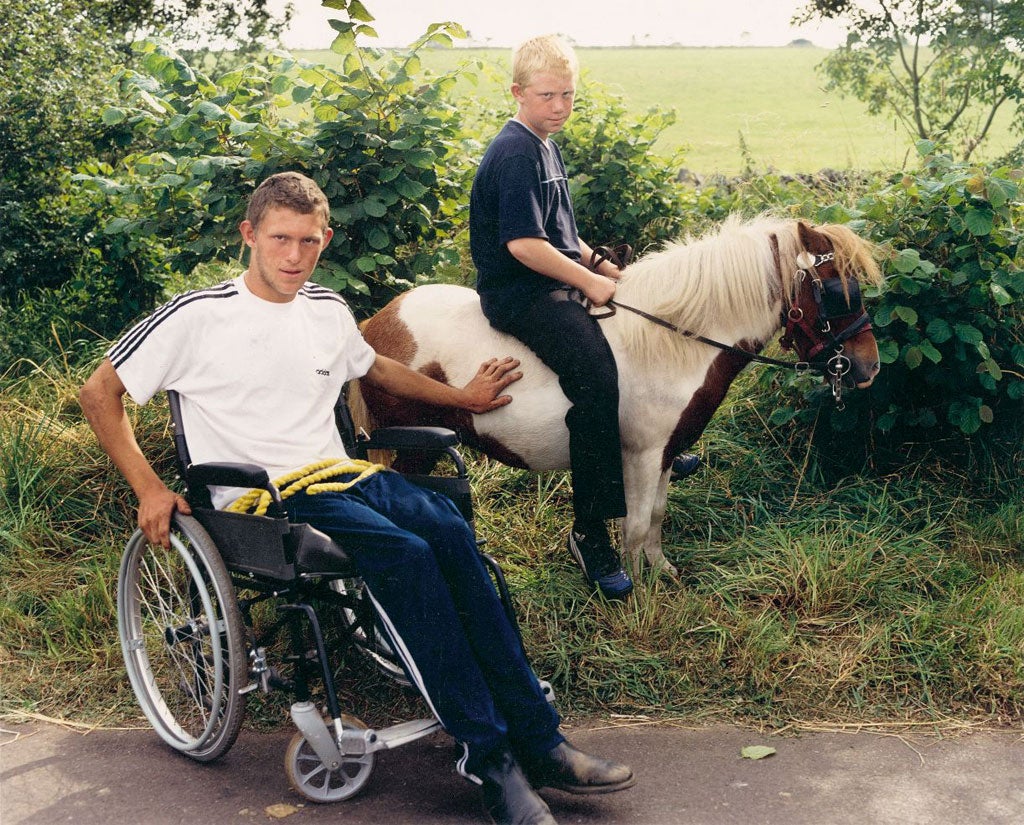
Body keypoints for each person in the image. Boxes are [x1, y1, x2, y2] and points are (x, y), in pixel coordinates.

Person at [80, 172, 634, 825]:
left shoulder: (325, 307)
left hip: (341, 475)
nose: (294, 255)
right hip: (262, 496)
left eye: (308, 241)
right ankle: (489, 759)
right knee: (407, 554)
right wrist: (149, 486)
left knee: (451, 531)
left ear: (326, 238)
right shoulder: (199, 314)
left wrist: (463, 398)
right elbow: (98, 392)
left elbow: (376, 368)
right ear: (249, 234)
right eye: (280, 239)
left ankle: (541, 742)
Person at [469, 35, 698, 602]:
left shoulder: (545, 145)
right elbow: (524, 245)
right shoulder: (516, 152)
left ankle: (650, 444)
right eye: (547, 95)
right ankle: (590, 532)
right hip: (520, 294)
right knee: (596, 377)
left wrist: (602, 266)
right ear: (517, 92)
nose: (560, 106)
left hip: (554, 281)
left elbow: (560, 236)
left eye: (568, 95)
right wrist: (590, 283)